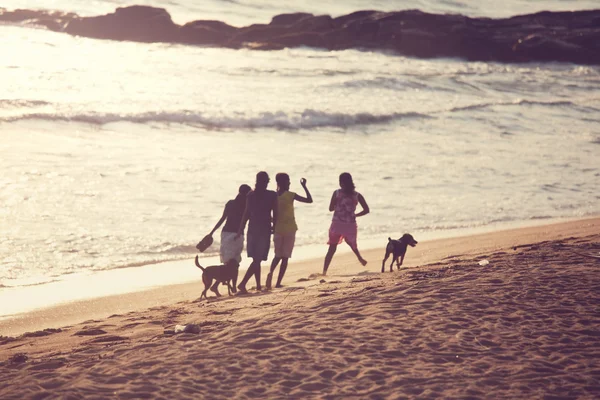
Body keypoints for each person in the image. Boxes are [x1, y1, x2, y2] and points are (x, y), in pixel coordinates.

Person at [266, 173, 313, 289]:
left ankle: (270, 273)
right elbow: (309, 200)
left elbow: (268, 213)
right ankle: (277, 283)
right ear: (283, 183)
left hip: (277, 229)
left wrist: (272, 224)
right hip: (290, 229)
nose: (290, 183)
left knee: (277, 256)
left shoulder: (273, 196)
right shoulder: (291, 195)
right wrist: (304, 186)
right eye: (288, 181)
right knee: (285, 257)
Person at [236, 171, 278, 293]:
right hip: (262, 229)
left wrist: (241, 228)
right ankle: (243, 284)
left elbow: (246, 213)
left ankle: (258, 285)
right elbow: (275, 213)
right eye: (265, 181)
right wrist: (274, 227)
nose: (265, 184)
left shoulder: (251, 195)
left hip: (254, 229)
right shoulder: (271, 195)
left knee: (256, 259)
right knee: (257, 259)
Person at [206, 184, 251, 294]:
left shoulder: (231, 203)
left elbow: (222, 219)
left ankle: (218, 286)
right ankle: (231, 287)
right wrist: (211, 232)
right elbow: (245, 220)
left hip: (229, 234)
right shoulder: (246, 205)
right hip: (235, 235)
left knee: (231, 264)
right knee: (233, 264)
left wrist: (212, 232)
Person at [323, 172, 370, 275]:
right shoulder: (357, 195)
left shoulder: (336, 193)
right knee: (352, 243)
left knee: (332, 248)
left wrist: (337, 205)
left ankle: (324, 271)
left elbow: (330, 209)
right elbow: (366, 210)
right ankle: (360, 258)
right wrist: (355, 215)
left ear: (341, 183)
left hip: (337, 223)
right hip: (350, 224)